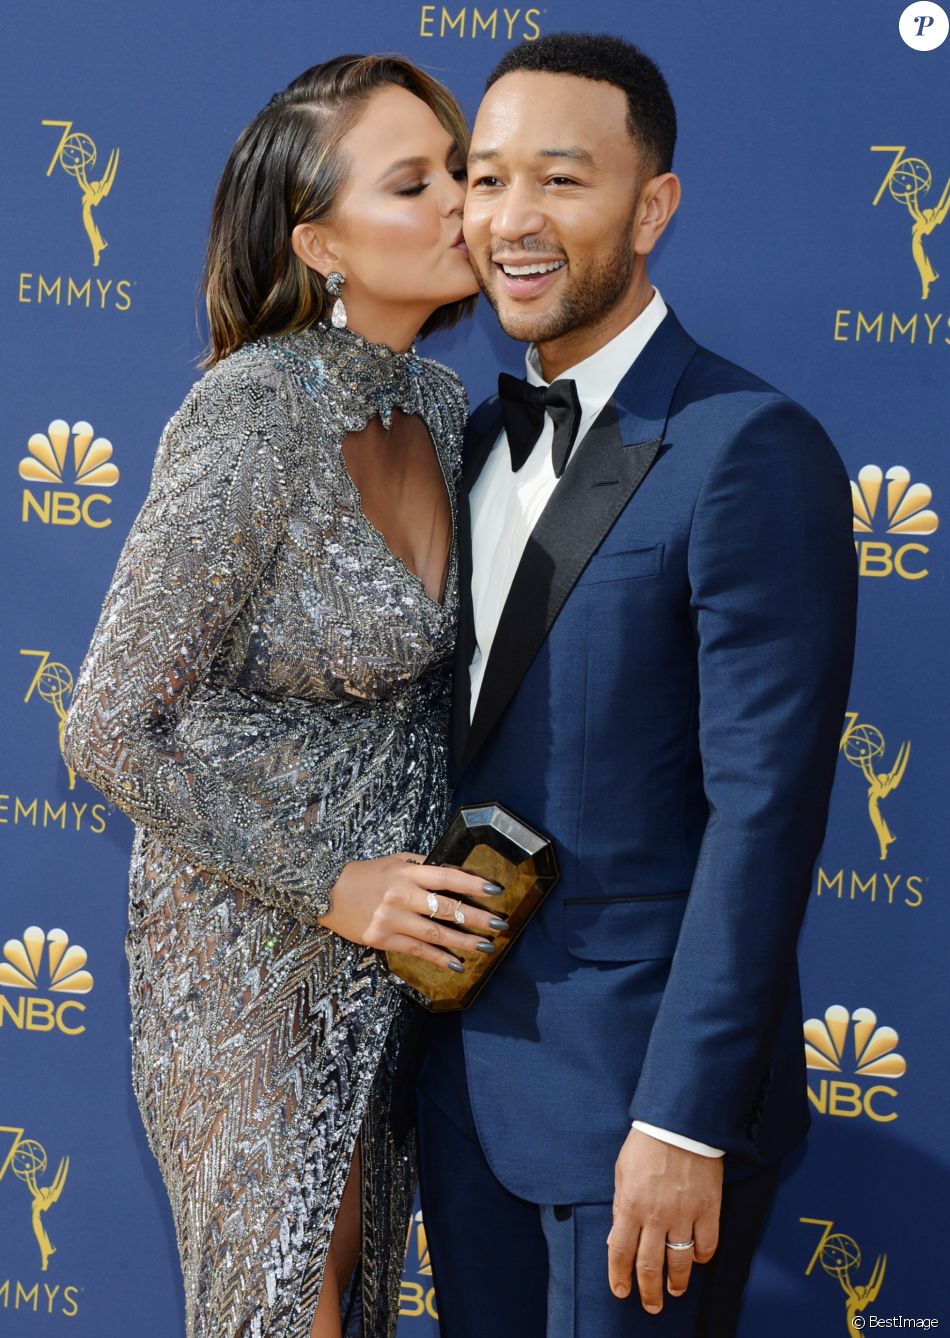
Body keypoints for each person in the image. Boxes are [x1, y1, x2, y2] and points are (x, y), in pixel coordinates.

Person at [416, 32, 858, 1337]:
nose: (512, 220)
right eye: (485, 181)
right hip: (461, 1087)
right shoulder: (469, 438)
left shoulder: (743, 447)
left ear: (650, 205)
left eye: (560, 180)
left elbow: (761, 816)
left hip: (635, 1114)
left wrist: (681, 1115)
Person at [62, 55, 504, 1338]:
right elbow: (105, 724)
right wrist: (333, 885)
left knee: (351, 1287)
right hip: (250, 945)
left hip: (389, 948)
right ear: (321, 243)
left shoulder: (435, 400)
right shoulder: (250, 415)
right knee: (282, 1299)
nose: (461, 205)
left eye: (459, 171)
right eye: (413, 183)